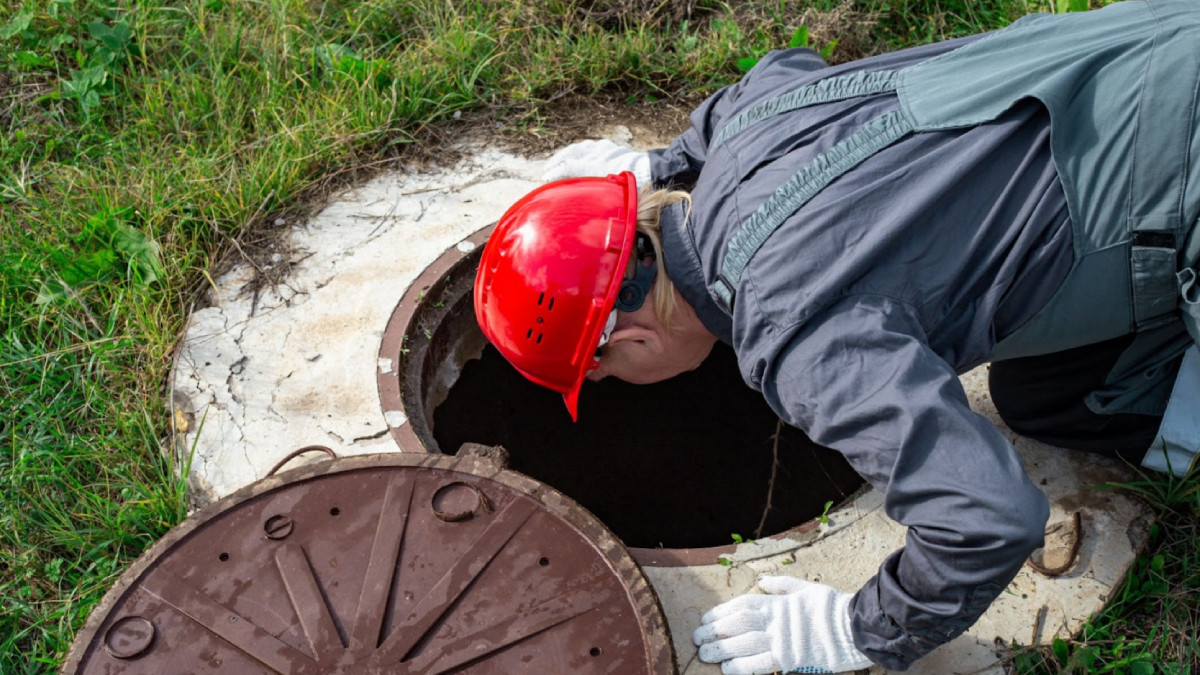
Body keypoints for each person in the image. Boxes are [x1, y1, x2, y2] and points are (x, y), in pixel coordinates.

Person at [473, 0, 1200, 671]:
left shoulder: (796, 335)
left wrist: (858, 628)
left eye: (598, 374)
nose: (611, 385)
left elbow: (989, 518)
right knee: (1050, 396)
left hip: (1186, 172)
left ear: (627, 336)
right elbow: (767, 75)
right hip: (1154, 46)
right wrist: (660, 164)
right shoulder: (749, 131)